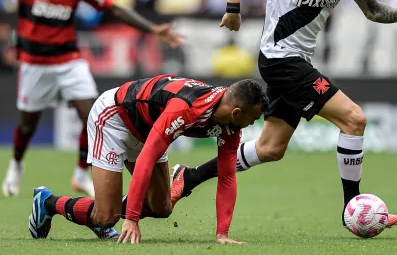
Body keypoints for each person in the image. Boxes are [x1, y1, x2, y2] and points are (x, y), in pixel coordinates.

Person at [169, 0, 397, 230]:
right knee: (354, 119)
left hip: (297, 62)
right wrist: (233, 10)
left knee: (270, 149)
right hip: (281, 59)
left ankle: (189, 177)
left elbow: (374, 10)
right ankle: (353, 208)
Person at [1, 0, 184, 198]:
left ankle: (80, 173)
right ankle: (16, 165)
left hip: (69, 60)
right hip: (34, 62)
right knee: (28, 124)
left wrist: (152, 29)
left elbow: (112, 8)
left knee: (91, 116)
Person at [29, 75, 268, 244]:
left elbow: (227, 176)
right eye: (253, 118)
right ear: (237, 112)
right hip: (115, 119)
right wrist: (131, 219)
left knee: (162, 207)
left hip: (148, 130)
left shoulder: (230, 126)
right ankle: (47, 202)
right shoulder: (187, 108)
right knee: (106, 218)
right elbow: (146, 157)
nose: (252, 124)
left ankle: (108, 205)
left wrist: (222, 233)